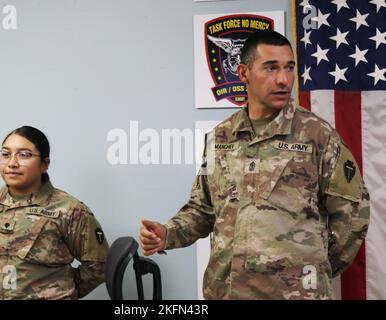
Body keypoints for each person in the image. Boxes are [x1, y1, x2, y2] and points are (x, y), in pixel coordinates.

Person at [139, 30, 370, 300]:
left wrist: (312, 264)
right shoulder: (220, 137)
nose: (283, 79)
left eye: (289, 68)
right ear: (244, 72)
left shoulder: (317, 136)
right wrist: (168, 233)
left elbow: (354, 215)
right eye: (271, 68)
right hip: (228, 291)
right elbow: (203, 209)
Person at [0, 126, 109, 299]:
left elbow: (99, 266)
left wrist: (57, 290)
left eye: (24, 155)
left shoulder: (69, 210)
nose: (12, 163)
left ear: (45, 163)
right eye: (5, 154)